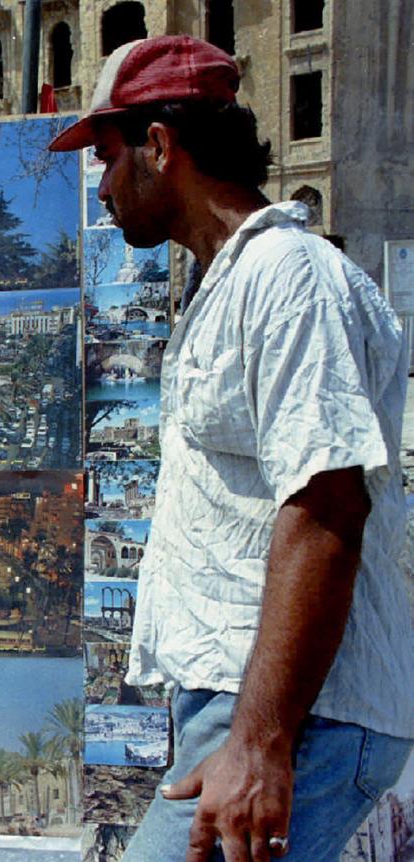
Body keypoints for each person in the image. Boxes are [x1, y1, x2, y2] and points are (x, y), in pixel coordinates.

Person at [49, 35, 414, 861]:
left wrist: (259, 741)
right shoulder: (231, 284)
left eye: (107, 159)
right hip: (255, 700)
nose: (101, 187)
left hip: (299, 709)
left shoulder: (289, 276)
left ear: (160, 147)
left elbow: (326, 507)